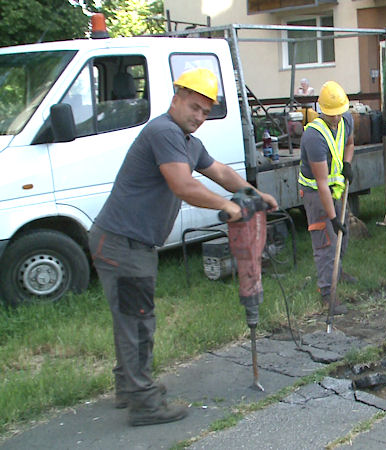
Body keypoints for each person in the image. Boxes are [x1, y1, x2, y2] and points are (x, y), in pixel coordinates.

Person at [89, 68, 278, 426]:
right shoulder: (164, 131)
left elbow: (219, 171)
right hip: (121, 243)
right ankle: (144, 404)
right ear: (176, 99)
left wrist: (253, 192)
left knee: (132, 318)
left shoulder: (187, 141)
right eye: (194, 107)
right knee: (138, 321)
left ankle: (129, 387)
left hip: (130, 242)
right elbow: (183, 185)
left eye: (205, 111)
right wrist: (226, 206)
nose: (199, 116)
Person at [298, 81, 355, 315]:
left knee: (343, 235)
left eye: (339, 113)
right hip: (315, 193)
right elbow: (321, 182)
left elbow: (349, 144)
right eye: (332, 114)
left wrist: (348, 163)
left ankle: (337, 272)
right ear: (322, 110)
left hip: (336, 188)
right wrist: (332, 218)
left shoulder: (347, 119)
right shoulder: (314, 136)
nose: (336, 118)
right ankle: (326, 293)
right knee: (326, 241)